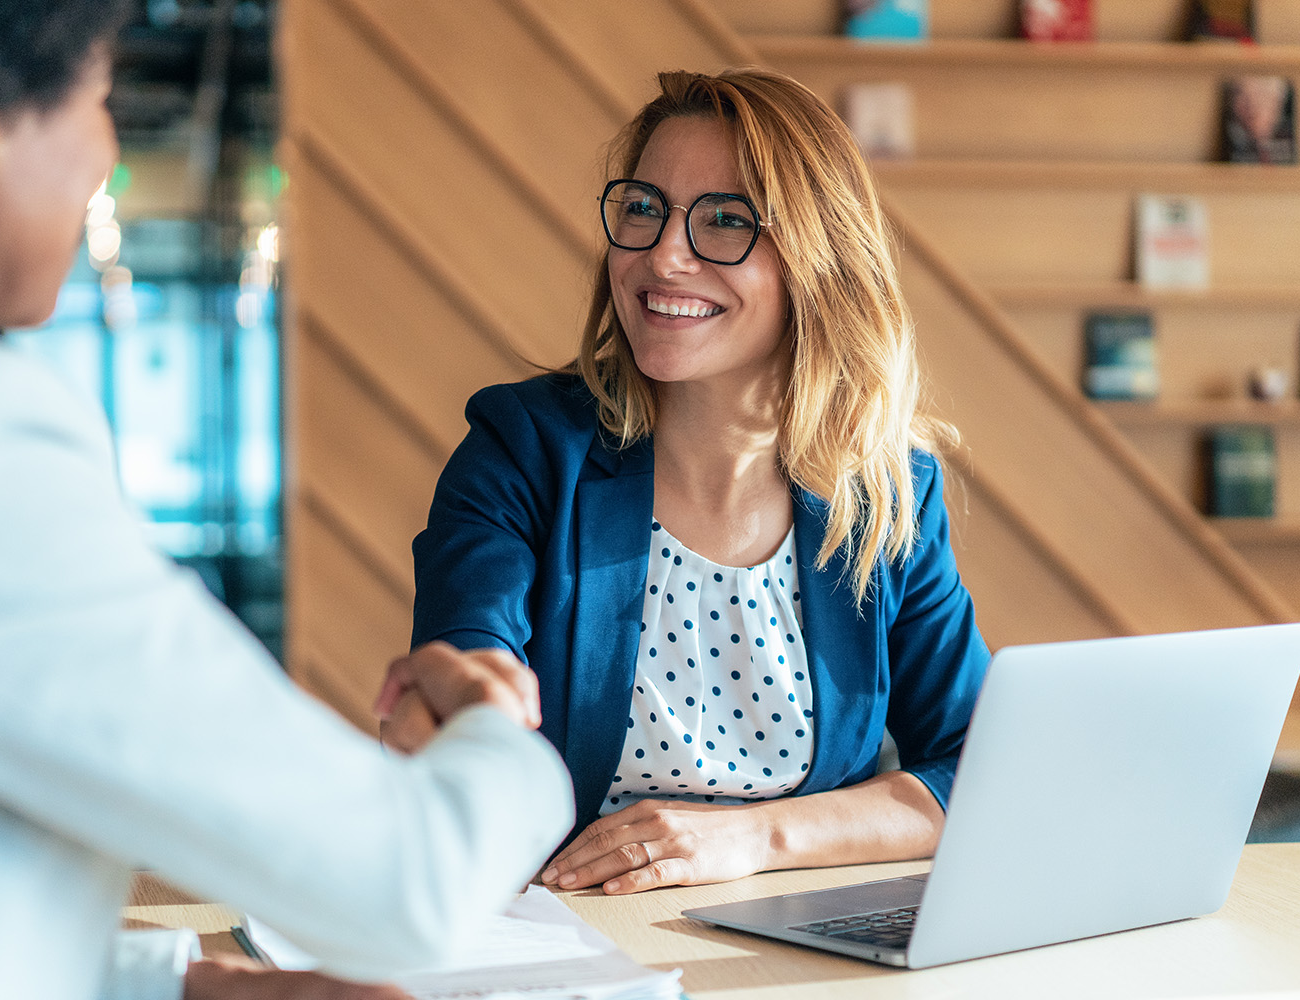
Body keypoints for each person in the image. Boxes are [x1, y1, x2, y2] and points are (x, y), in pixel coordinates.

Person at [0, 3, 572, 1000]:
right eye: (103, 101)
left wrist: (172, 982)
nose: (107, 153)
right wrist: (507, 735)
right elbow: (407, 883)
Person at [411, 68, 988, 896]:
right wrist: (470, 716)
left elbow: (976, 769)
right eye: (643, 209)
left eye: (725, 221)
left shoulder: (887, 493)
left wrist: (755, 837)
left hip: (797, 952)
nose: (663, 255)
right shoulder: (523, 448)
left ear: (819, 262)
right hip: (569, 939)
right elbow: (466, 692)